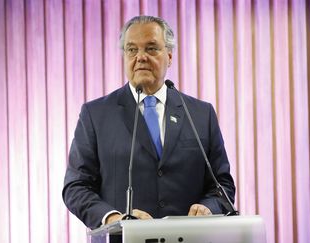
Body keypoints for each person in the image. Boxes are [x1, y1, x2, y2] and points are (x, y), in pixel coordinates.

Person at [62, 15, 236, 231]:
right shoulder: (95, 114)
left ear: (169, 56)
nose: (141, 57)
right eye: (132, 49)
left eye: (151, 48)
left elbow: (223, 185)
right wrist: (112, 219)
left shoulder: (201, 114)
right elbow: (75, 186)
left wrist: (208, 207)